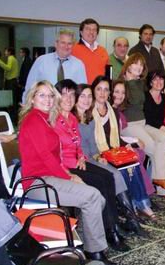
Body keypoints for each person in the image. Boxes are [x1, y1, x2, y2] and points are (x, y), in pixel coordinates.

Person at [18, 80, 114, 265]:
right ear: (32, 99)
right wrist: (69, 176)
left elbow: (55, 157)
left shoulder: (44, 119)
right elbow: (46, 157)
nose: (47, 99)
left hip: (49, 177)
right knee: (93, 196)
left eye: (50, 95)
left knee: (98, 199)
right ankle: (94, 252)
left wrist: (66, 173)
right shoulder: (34, 120)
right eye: (42, 95)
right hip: (38, 182)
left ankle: (86, 242)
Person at [54, 79, 129, 252]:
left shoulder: (72, 118)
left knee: (108, 177)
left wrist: (81, 156)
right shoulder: (54, 120)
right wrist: (69, 169)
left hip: (77, 162)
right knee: (102, 181)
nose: (69, 98)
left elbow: (78, 144)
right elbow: (52, 152)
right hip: (66, 167)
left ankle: (112, 228)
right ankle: (110, 231)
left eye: (72, 94)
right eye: (65, 94)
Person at [74, 83, 149, 230]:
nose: (87, 99)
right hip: (81, 160)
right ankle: (125, 217)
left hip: (96, 155)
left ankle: (134, 212)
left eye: (89, 96)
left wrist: (97, 156)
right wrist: (97, 156)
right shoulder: (72, 119)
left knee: (131, 162)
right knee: (114, 173)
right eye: (83, 96)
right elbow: (75, 147)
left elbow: (93, 146)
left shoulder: (90, 118)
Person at [89, 76, 156, 221]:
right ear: (93, 91)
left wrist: (130, 146)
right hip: (98, 152)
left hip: (113, 150)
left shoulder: (112, 111)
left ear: (109, 93)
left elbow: (117, 138)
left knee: (132, 160)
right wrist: (100, 155)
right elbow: (88, 140)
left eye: (106, 90)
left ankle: (143, 205)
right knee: (125, 167)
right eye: (99, 89)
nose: (102, 93)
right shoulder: (88, 111)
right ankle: (131, 206)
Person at [119, 53, 165, 194]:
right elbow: (126, 103)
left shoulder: (141, 83)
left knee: (163, 138)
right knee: (154, 147)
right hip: (129, 125)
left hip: (142, 123)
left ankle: (160, 183)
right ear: (128, 64)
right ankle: (157, 183)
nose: (139, 67)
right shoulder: (121, 83)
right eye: (135, 63)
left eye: (141, 65)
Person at [23, 29, 87, 102]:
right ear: (56, 44)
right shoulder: (41, 61)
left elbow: (82, 92)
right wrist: (26, 107)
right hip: (45, 108)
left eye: (69, 43)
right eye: (63, 42)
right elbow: (29, 88)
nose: (66, 46)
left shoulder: (79, 65)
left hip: (68, 109)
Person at [72, 18, 109, 84]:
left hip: (100, 91)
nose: (91, 32)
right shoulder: (73, 50)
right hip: (81, 91)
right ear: (81, 32)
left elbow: (109, 73)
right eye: (88, 29)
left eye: (94, 30)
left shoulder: (103, 51)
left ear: (97, 33)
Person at [0, 47, 19, 118]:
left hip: (11, 81)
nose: (5, 53)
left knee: (11, 100)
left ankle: (13, 117)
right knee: (13, 99)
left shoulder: (10, 58)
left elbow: (8, 68)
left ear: (9, 52)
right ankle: (14, 117)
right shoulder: (14, 59)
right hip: (13, 80)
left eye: (6, 51)